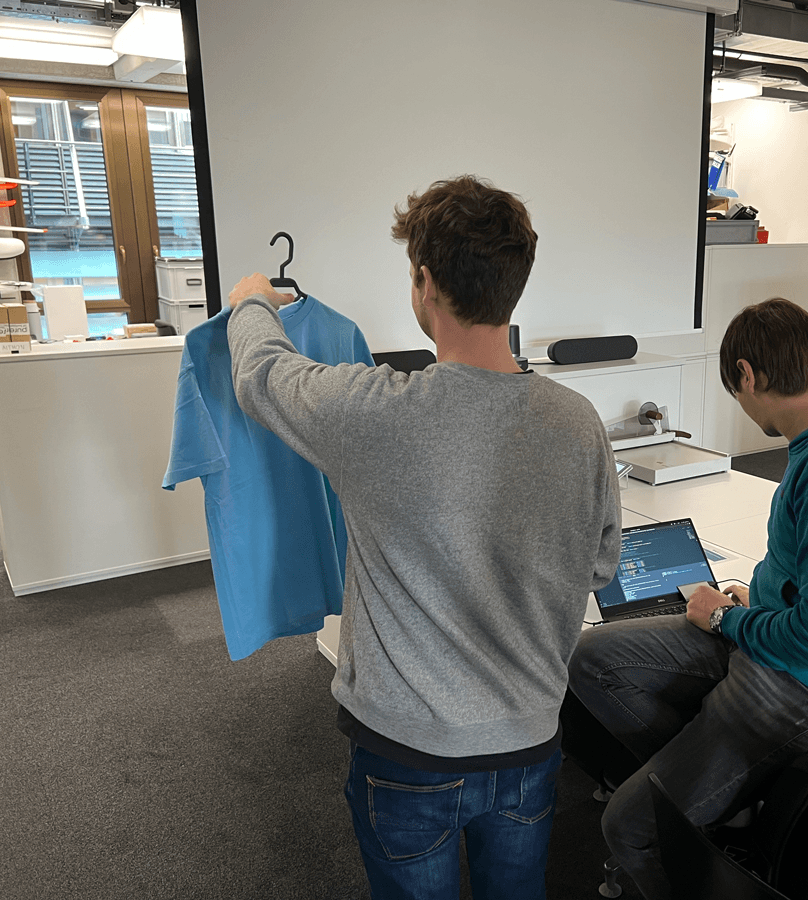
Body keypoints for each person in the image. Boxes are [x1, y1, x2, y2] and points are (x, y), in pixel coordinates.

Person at [225, 175, 622, 900]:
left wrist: (252, 300)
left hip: (405, 755)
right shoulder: (579, 423)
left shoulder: (371, 413)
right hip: (529, 743)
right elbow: (599, 566)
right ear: (514, 287)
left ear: (425, 283)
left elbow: (262, 375)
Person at [567, 297, 808, 900]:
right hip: (789, 646)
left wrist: (732, 620)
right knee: (594, 659)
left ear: (746, 375)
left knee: (630, 829)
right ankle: (725, 798)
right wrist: (757, 598)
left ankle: (703, 808)